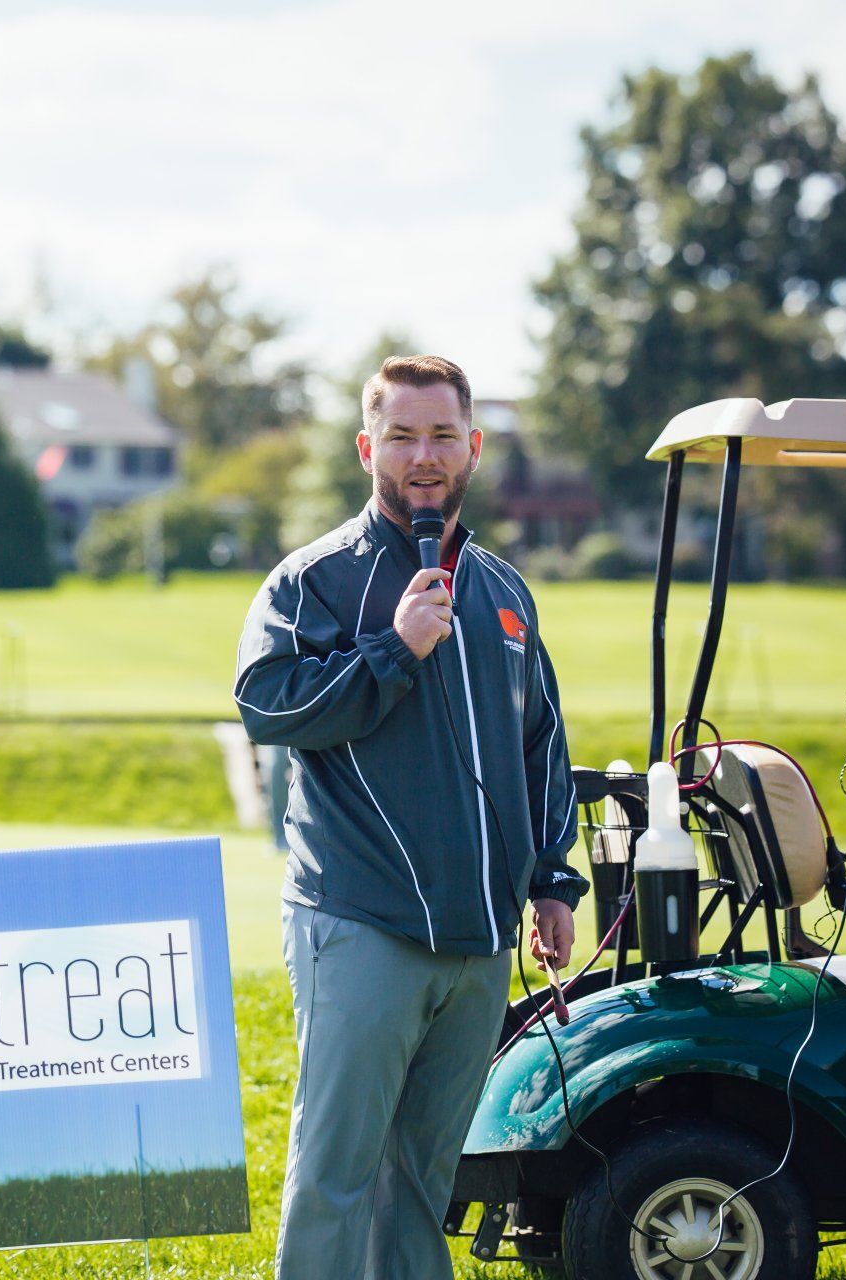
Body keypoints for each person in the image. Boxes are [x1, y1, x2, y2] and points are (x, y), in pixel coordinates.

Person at [234, 355, 587, 1279]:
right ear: (367, 449)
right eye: (400, 436)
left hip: (481, 942)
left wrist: (552, 880)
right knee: (337, 1176)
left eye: (441, 436)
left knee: (423, 1183)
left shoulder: (505, 592)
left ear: (473, 447)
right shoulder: (312, 581)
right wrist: (392, 650)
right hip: (361, 920)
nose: (422, 456)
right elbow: (266, 705)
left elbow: (543, 746)